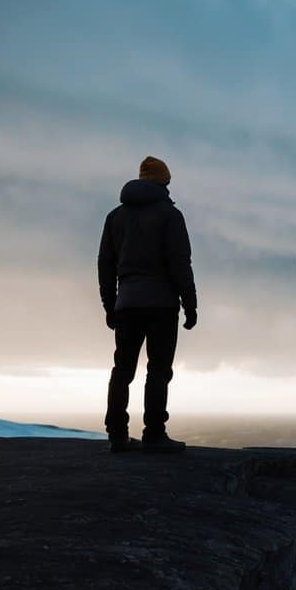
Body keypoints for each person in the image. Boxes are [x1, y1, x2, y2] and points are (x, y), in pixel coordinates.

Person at [97, 156, 197, 453]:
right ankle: (154, 434)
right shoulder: (170, 215)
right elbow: (180, 263)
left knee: (122, 369)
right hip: (162, 306)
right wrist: (190, 305)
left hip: (126, 304)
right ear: (164, 182)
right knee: (158, 370)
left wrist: (109, 303)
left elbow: (105, 263)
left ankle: (117, 434)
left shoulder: (115, 216)